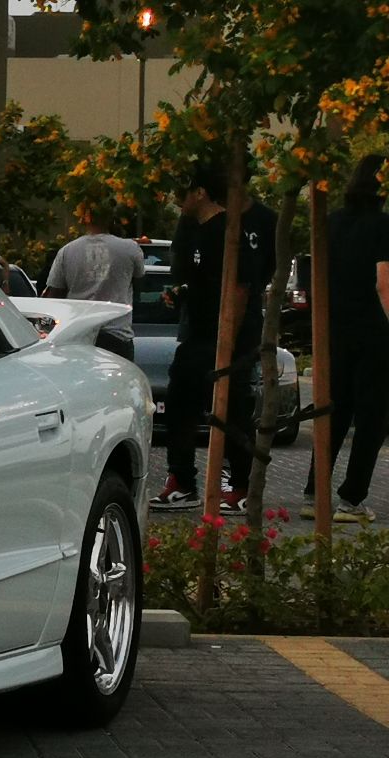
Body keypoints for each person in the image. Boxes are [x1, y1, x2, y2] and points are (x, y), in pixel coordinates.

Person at [151, 167, 262, 512]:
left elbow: (241, 287)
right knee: (180, 403)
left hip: (231, 338)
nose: (176, 200)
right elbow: (201, 280)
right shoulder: (193, 231)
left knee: (233, 411)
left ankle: (242, 487)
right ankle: (182, 481)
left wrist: (228, 339)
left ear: (199, 192)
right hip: (197, 333)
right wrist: (181, 293)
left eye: (182, 192)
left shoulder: (229, 231)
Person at [304, 154, 389, 523]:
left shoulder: (330, 223)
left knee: (331, 411)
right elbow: (383, 282)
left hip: (333, 331)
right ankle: (351, 499)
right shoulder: (384, 226)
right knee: (372, 417)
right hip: (374, 333)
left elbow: (314, 279)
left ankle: (312, 492)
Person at [44, 205, 145, 359]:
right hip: (117, 335)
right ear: (112, 218)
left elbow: (55, 294)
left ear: (86, 217)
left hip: (78, 334)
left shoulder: (68, 250)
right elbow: (140, 282)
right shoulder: (130, 248)